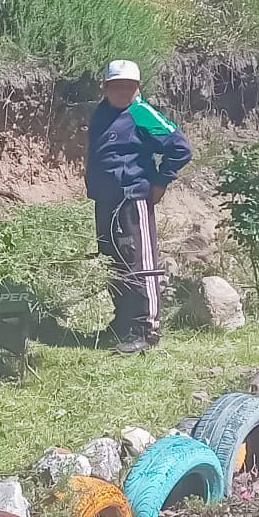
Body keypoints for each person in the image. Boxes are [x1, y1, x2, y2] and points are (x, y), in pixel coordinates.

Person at [85, 60, 192, 354]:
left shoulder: (142, 113)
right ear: (105, 88)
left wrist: (160, 182)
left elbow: (180, 148)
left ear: (137, 88)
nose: (122, 91)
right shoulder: (103, 112)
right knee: (113, 261)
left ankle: (147, 329)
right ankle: (123, 322)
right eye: (116, 86)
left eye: (128, 86)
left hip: (133, 199)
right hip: (105, 199)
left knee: (139, 264)